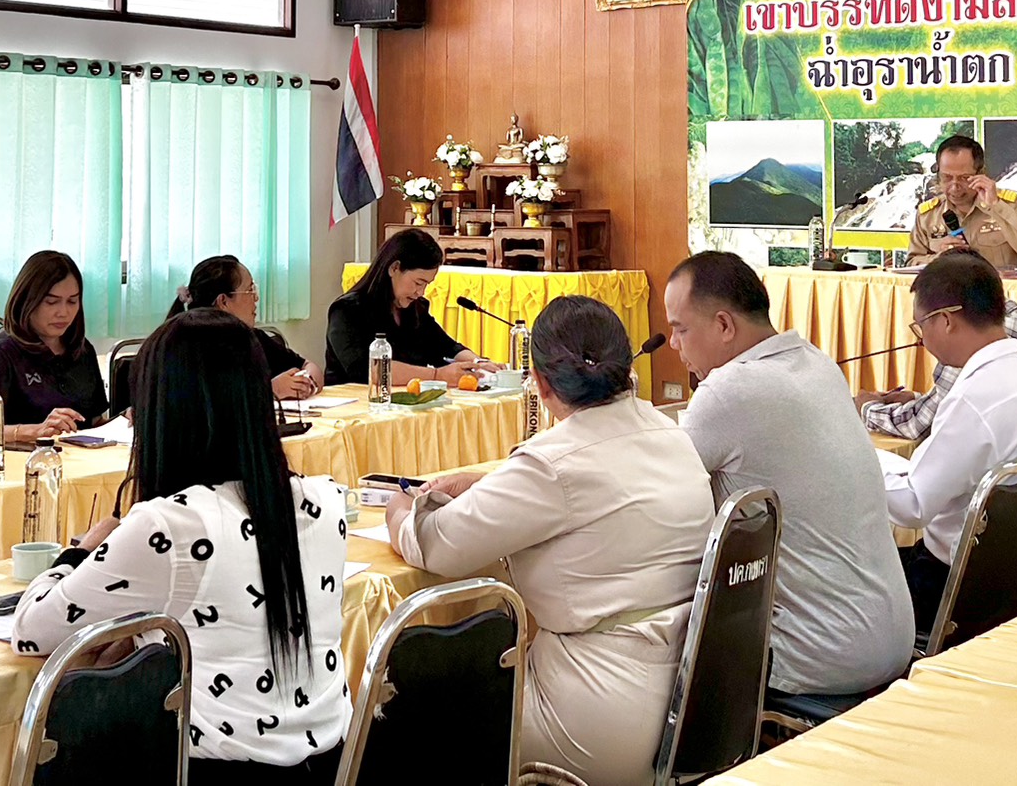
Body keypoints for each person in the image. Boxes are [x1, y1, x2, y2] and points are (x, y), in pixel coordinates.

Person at [384, 295, 713, 785]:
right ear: (627, 369)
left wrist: (399, 506)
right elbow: (588, 495)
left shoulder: (552, 462)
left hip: (598, 715)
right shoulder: (668, 432)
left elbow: (435, 545)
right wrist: (490, 484)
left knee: (415, 705)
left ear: (539, 383)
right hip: (691, 702)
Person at [12, 309, 349, 784]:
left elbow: (33, 630)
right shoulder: (326, 500)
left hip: (212, 769)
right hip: (331, 762)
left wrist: (78, 551)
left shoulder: (172, 524)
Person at [665, 252, 913, 696]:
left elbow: (655, 494)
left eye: (680, 329)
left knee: (649, 648)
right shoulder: (817, 362)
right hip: (893, 635)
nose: (672, 344)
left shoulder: (728, 390)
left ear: (724, 326)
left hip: (820, 653)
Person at [889, 252, 1017, 630]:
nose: (923, 340)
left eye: (920, 328)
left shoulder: (976, 399)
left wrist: (861, 463)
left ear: (944, 321)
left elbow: (914, 505)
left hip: (956, 588)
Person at [0, 251, 110, 447]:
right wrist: (31, 431)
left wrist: (127, 422)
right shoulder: (3, 355)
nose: (64, 312)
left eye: (72, 301)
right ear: (27, 301)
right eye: (51, 302)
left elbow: (94, 424)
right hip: (26, 465)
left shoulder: (83, 350)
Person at [858, 298, 1017, 440]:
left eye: (921, 325)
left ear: (946, 318)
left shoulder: (974, 342)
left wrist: (867, 407)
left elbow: (919, 426)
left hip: (1004, 491)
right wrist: (916, 398)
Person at [324, 229, 497, 386]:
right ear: (394, 268)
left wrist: (478, 363)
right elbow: (365, 369)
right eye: (418, 283)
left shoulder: (415, 308)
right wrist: (436, 375)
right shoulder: (347, 310)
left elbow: (445, 346)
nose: (420, 292)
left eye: (426, 285)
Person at [169, 255, 322, 400]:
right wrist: (270, 390)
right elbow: (207, 404)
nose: (256, 298)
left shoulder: (253, 338)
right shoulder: (188, 348)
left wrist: (307, 383)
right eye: (249, 290)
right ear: (223, 301)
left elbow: (308, 365)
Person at [908, 135, 1017, 267]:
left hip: (1000, 290)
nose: (954, 186)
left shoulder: (1013, 204)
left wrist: (996, 206)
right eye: (947, 178)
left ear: (981, 174)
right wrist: (939, 258)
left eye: (964, 178)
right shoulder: (927, 215)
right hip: (948, 290)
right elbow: (911, 263)